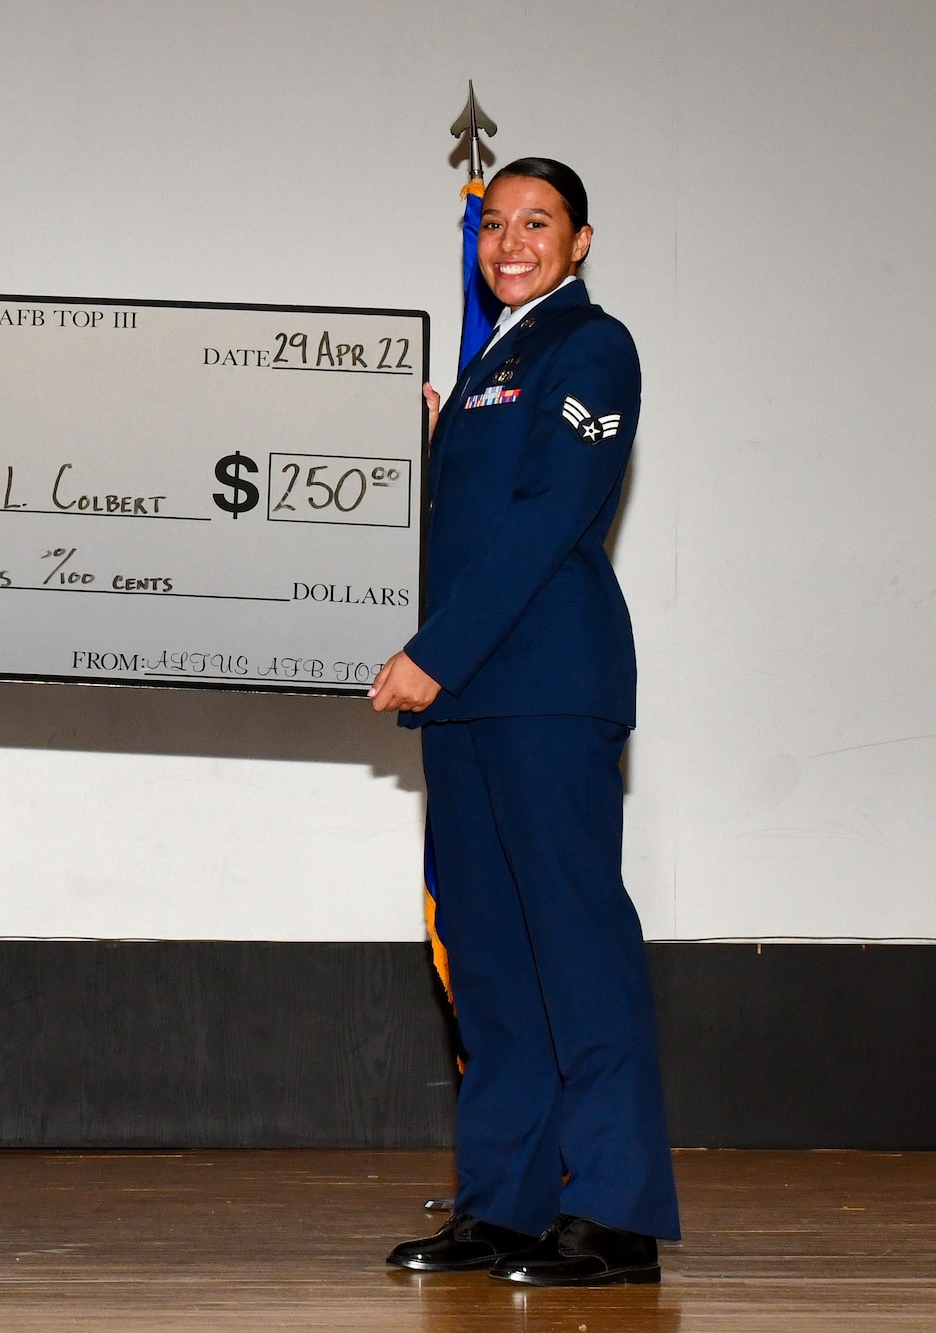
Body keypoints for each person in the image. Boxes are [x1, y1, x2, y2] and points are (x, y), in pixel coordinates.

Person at [367, 158, 677, 1286]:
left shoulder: (590, 347)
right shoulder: (490, 367)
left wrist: (429, 657)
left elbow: (545, 522)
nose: (508, 242)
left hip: (543, 688)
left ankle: (613, 1209)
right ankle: (501, 1202)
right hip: (467, 703)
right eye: (493, 223)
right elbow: (467, 520)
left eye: (535, 223)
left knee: (575, 953)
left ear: (579, 242)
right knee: (491, 965)